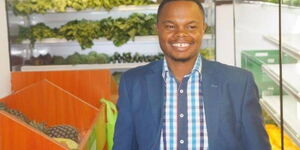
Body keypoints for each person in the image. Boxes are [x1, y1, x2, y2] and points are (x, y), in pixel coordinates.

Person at [113, 0, 271, 149]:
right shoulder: (133, 83)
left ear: (203, 28)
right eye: (170, 26)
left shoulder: (239, 83)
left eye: (191, 27)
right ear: (158, 29)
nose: (180, 34)